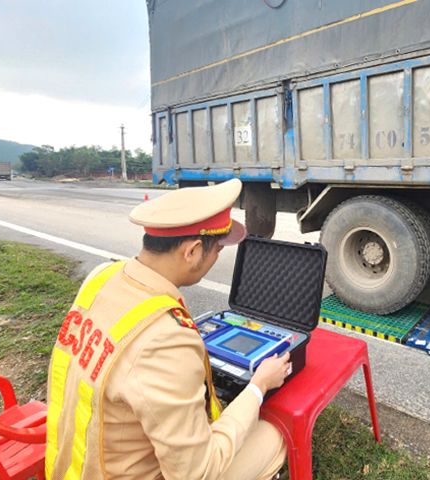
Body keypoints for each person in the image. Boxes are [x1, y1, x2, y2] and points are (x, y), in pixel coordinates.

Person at [45, 179, 289, 480]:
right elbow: (200, 472)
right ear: (192, 251)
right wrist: (258, 387)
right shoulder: (167, 339)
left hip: (79, 464)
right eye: (217, 251)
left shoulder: (100, 277)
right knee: (274, 434)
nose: (216, 258)